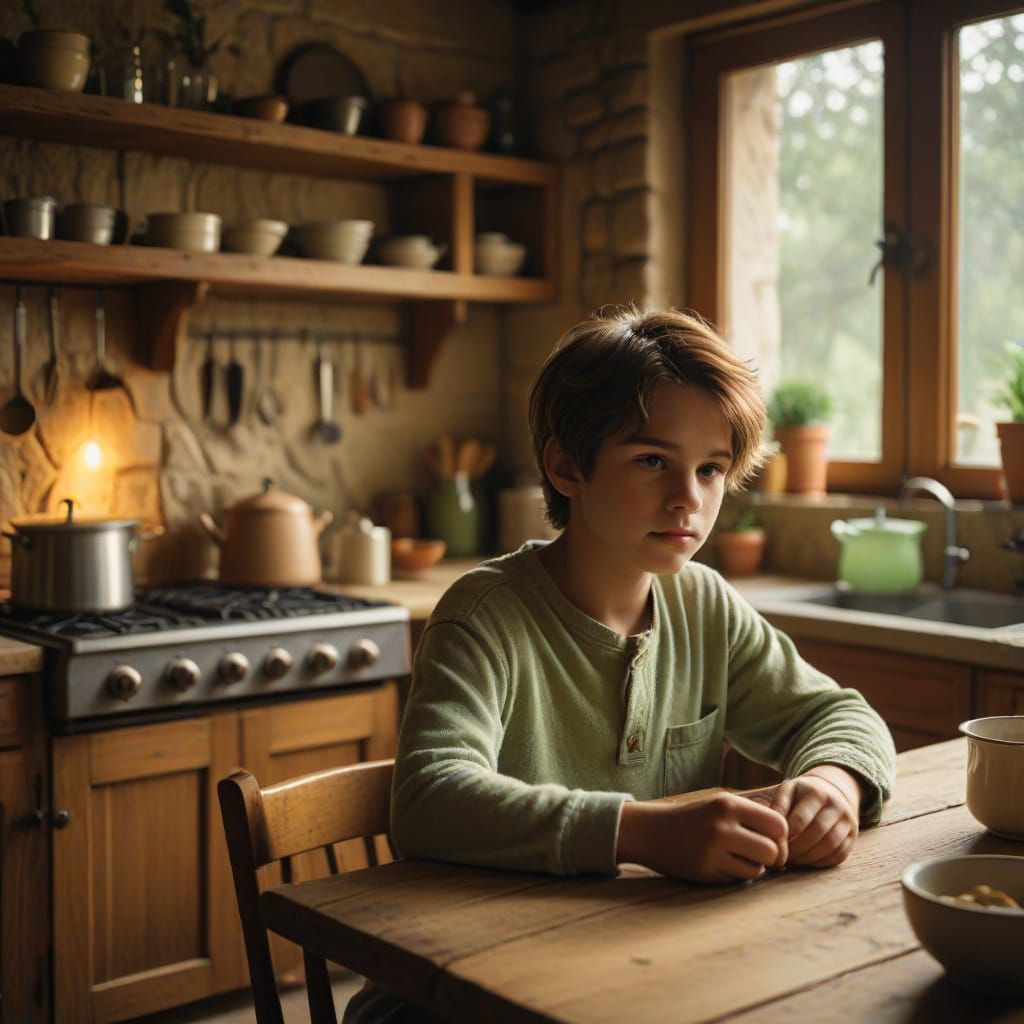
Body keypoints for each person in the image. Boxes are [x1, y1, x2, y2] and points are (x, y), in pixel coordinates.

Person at [345, 307, 896, 1020]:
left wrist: (836, 782)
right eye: (652, 461)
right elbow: (430, 800)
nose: (687, 499)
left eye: (710, 470)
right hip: (450, 997)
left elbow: (838, 713)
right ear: (565, 466)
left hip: (623, 973)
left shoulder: (704, 604)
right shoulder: (484, 616)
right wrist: (644, 832)